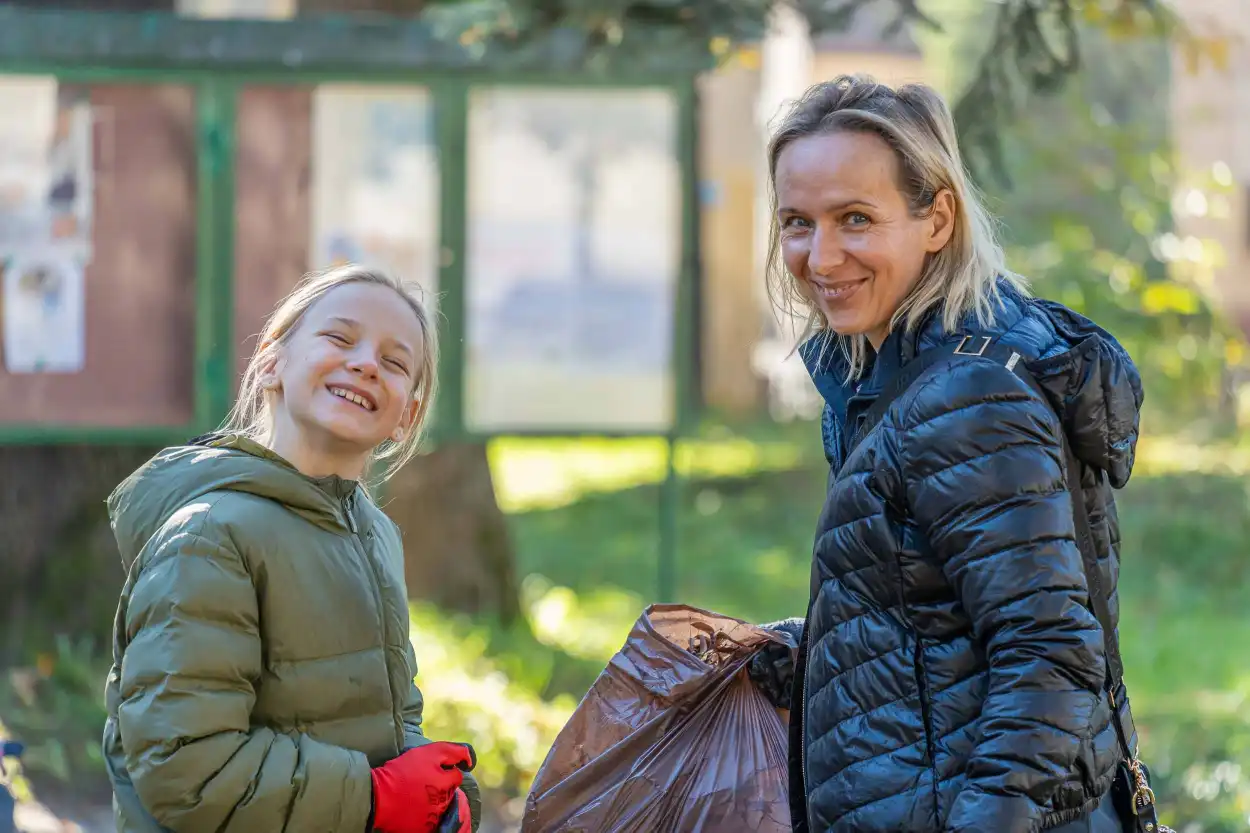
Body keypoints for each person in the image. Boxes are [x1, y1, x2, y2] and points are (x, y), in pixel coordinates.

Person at [746, 75, 1145, 833]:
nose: (821, 257)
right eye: (798, 222)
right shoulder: (892, 373)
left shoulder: (967, 395)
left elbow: (1051, 657)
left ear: (937, 218)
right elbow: (943, 614)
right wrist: (817, 650)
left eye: (855, 219)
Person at [102, 265, 481, 833]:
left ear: (406, 416)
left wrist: (442, 794)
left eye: (395, 362)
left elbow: (389, 715)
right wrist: (375, 798)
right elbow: (186, 768)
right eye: (339, 338)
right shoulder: (209, 535)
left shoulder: (374, 535)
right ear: (271, 362)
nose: (365, 363)